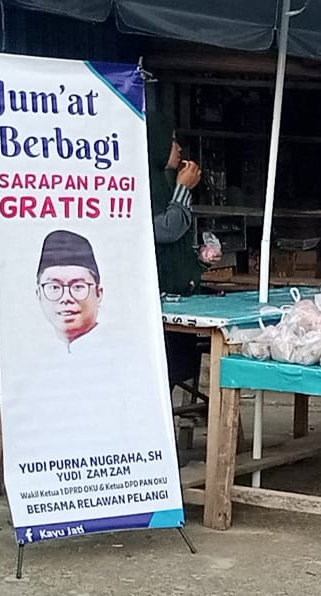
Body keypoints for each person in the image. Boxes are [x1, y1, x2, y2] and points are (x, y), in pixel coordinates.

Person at [147, 106, 205, 388]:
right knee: (160, 372)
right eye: (171, 141)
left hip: (177, 296)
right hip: (153, 302)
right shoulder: (142, 184)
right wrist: (184, 189)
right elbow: (165, 230)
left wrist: (200, 260)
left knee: (178, 366)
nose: (178, 148)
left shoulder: (164, 182)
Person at [36, 230, 102, 349]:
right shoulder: (32, 351)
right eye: (54, 287)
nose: (66, 298)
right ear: (39, 294)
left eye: (78, 286)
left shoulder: (120, 348)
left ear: (98, 293)